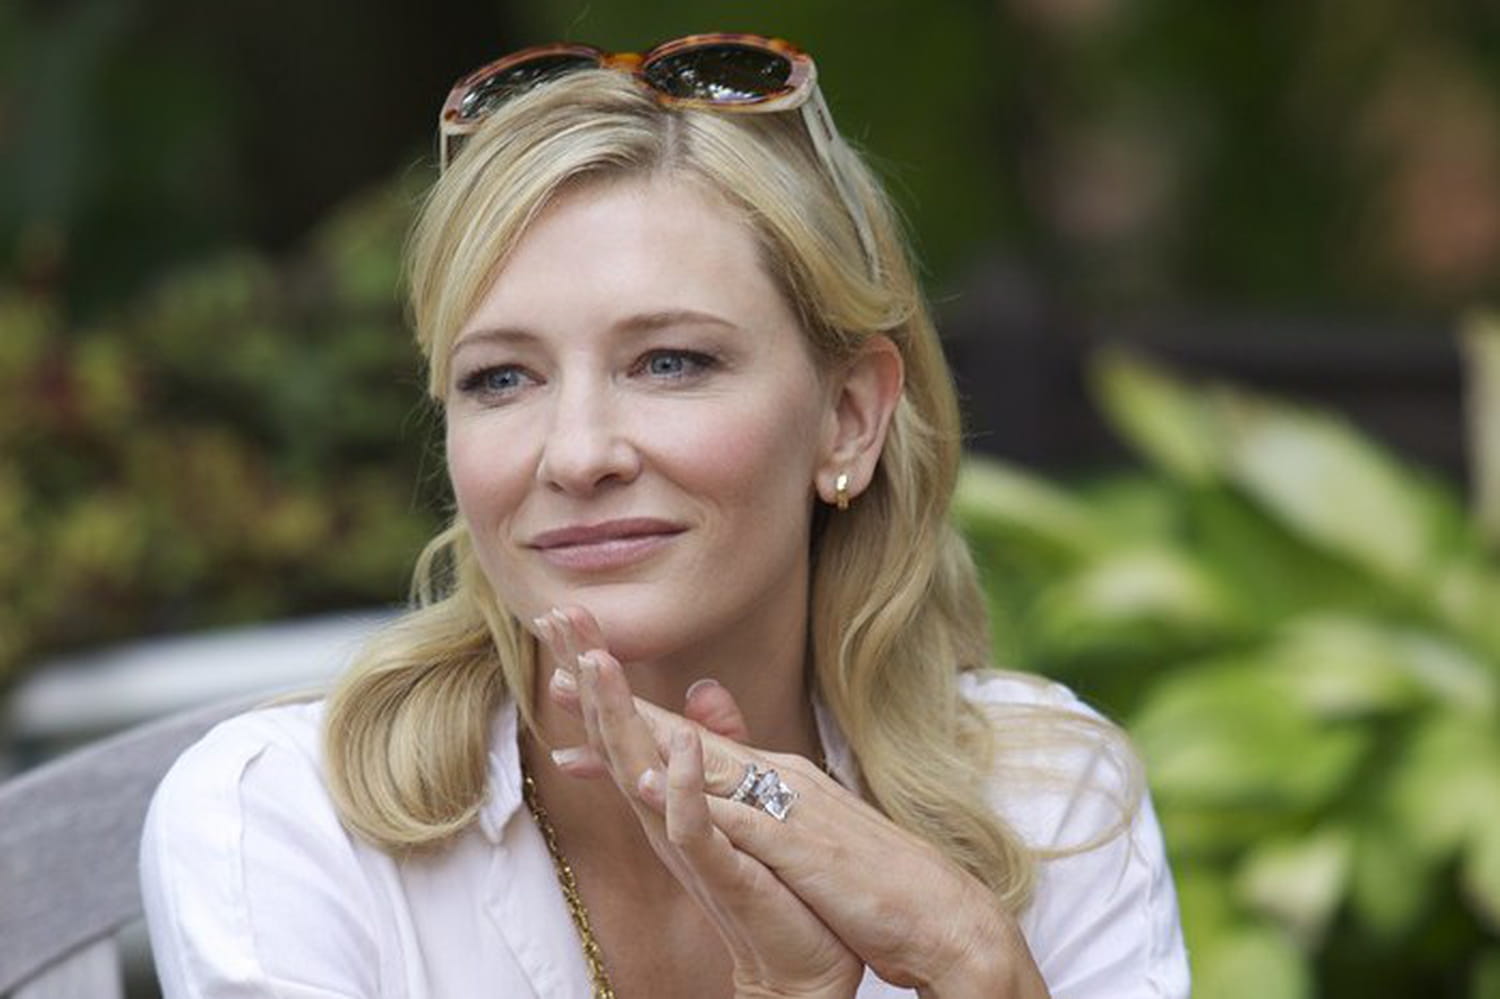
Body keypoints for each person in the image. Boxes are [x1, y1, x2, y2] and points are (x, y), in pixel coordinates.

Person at [140, 34, 1189, 999]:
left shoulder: (1047, 801)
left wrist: (973, 958)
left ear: (849, 418)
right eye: (501, 377)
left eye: (671, 362)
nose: (578, 453)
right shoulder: (284, 821)